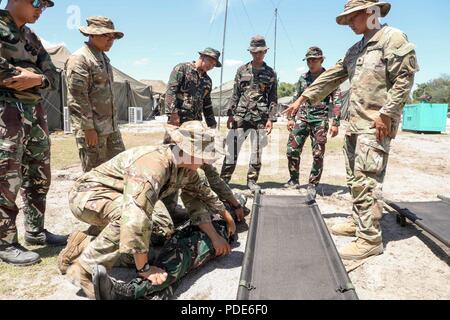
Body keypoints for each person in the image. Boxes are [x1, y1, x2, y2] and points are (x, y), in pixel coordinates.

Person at [284, 0, 419, 260]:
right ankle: (358, 222)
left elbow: (405, 77)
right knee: (355, 179)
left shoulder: (392, 38)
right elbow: (332, 76)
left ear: (370, 13)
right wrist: (303, 98)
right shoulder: (355, 49)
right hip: (356, 125)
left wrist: (387, 113)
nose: (348, 24)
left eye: (352, 18)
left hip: (375, 125)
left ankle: (369, 240)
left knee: (368, 180)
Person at [64, 121, 235, 299]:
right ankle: (82, 268)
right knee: (129, 221)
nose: (208, 160)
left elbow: (203, 197)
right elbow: (136, 214)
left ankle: (87, 242)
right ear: (190, 152)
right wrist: (145, 269)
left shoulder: (187, 169)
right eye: (205, 155)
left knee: (163, 228)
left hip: (120, 196)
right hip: (89, 195)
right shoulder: (153, 166)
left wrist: (225, 220)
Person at [0, 0, 67, 267]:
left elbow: (52, 74)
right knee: (6, 177)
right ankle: (4, 242)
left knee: (38, 174)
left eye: (46, 6)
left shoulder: (30, 36)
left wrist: (36, 79)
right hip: (6, 112)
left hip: (35, 113)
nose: (41, 9)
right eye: (37, 2)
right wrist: (27, 75)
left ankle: (35, 231)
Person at [93, 215, 236, 300]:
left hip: (216, 231)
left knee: (182, 254)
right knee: (173, 254)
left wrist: (230, 215)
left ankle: (127, 292)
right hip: (193, 226)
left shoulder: (227, 211)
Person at [66, 16, 126, 173]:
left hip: (110, 128)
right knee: (95, 175)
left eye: (112, 37)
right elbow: (78, 98)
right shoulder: (80, 58)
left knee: (119, 171)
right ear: (91, 35)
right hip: (93, 130)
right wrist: (88, 128)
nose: (111, 40)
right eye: (106, 35)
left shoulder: (103, 58)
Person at [220, 35, 278, 192]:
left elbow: (273, 98)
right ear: (250, 52)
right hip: (241, 116)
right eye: (254, 52)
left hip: (260, 117)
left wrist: (271, 119)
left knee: (257, 151)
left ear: (265, 52)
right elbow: (235, 94)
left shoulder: (270, 73)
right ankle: (224, 180)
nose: (257, 54)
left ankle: (252, 181)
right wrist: (231, 114)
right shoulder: (241, 70)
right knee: (232, 149)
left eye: (260, 52)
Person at [285, 47, 342, 198]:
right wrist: (291, 118)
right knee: (292, 150)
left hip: (320, 120)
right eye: (309, 60)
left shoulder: (329, 77)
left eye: (314, 60)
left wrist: (336, 122)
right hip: (302, 118)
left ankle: (313, 184)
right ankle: (293, 179)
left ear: (321, 60)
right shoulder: (303, 78)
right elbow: (295, 98)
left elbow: (337, 101)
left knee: (318, 154)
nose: (311, 63)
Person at [165, 48, 222, 129]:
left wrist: (211, 122)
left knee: (196, 142)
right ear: (202, 57)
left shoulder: (208, 80)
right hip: (178, 119)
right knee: (174, 141)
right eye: (210, 61)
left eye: (214, 65)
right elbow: (171, 92)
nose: (211, 66)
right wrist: (173, 113)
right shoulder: (182, 69)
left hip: (196, 123)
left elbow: (207, 102)